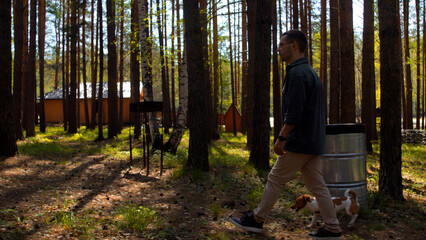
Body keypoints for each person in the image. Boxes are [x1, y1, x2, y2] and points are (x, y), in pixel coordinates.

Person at [228, 30, 342, 239]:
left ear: (294, 46)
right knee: (318, 186)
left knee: (275, 179)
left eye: (281, 44)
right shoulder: (310, 72)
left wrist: (282, 137)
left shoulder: (297, 74)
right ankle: (333, 229)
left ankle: (257, 219)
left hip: (299, 141)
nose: (278, 49)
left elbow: (295, 113)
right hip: (312, 141)